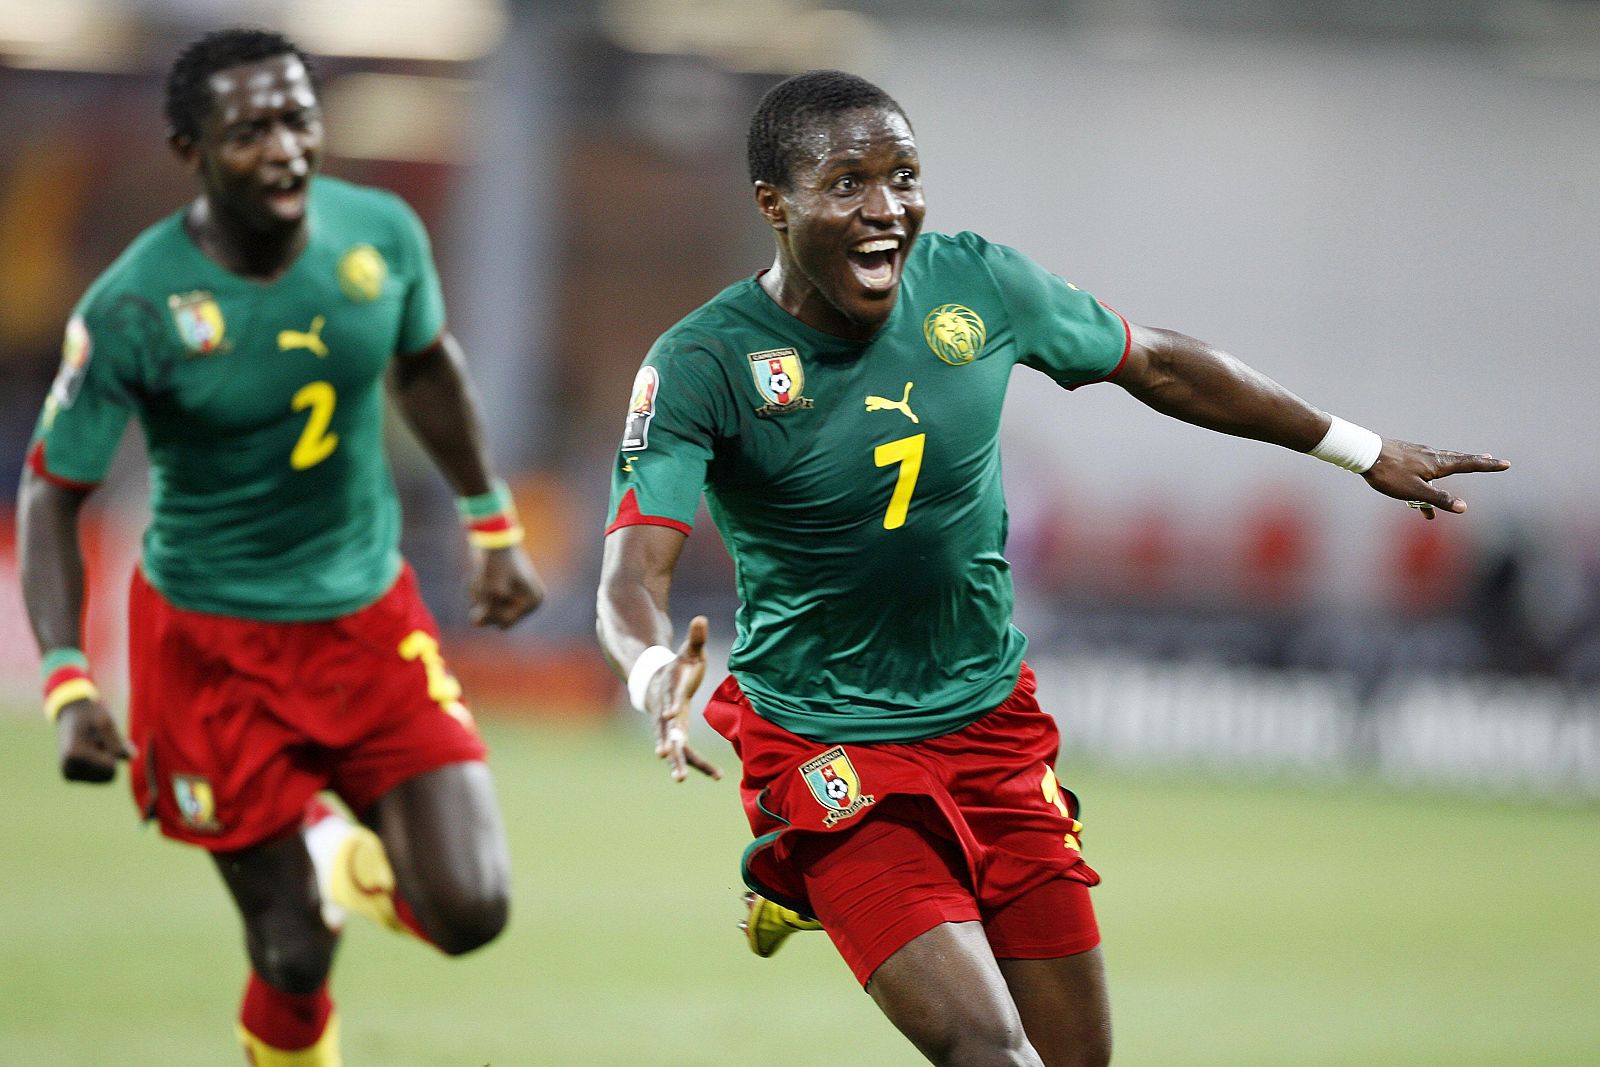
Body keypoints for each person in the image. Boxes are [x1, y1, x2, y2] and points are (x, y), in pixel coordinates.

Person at [594, 70, 1508, 1067]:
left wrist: (1357, 447)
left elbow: (1155, 361)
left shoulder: (975, 284)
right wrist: (652, 673)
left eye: (903, 176)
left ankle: (793, 877)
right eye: (847, 183)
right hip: (826, 739)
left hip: (989, 726)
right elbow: (629, 576)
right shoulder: (703, 363)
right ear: (773, 203)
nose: (887, 207)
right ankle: (805, 855)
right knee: (991, 1050)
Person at [17, 29, 545, 1066]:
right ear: (190, 148)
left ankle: (332, 854)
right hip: (211, 649)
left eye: (298, 119)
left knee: (472, 908)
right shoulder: (135, 304)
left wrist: (492, 522)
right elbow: (50, 492)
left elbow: (427, 365)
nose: (285, 148)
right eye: (249, 129)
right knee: (291, 949)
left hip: (364, 619)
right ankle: (313, 888)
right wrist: (69, 682)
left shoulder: (378, 236)